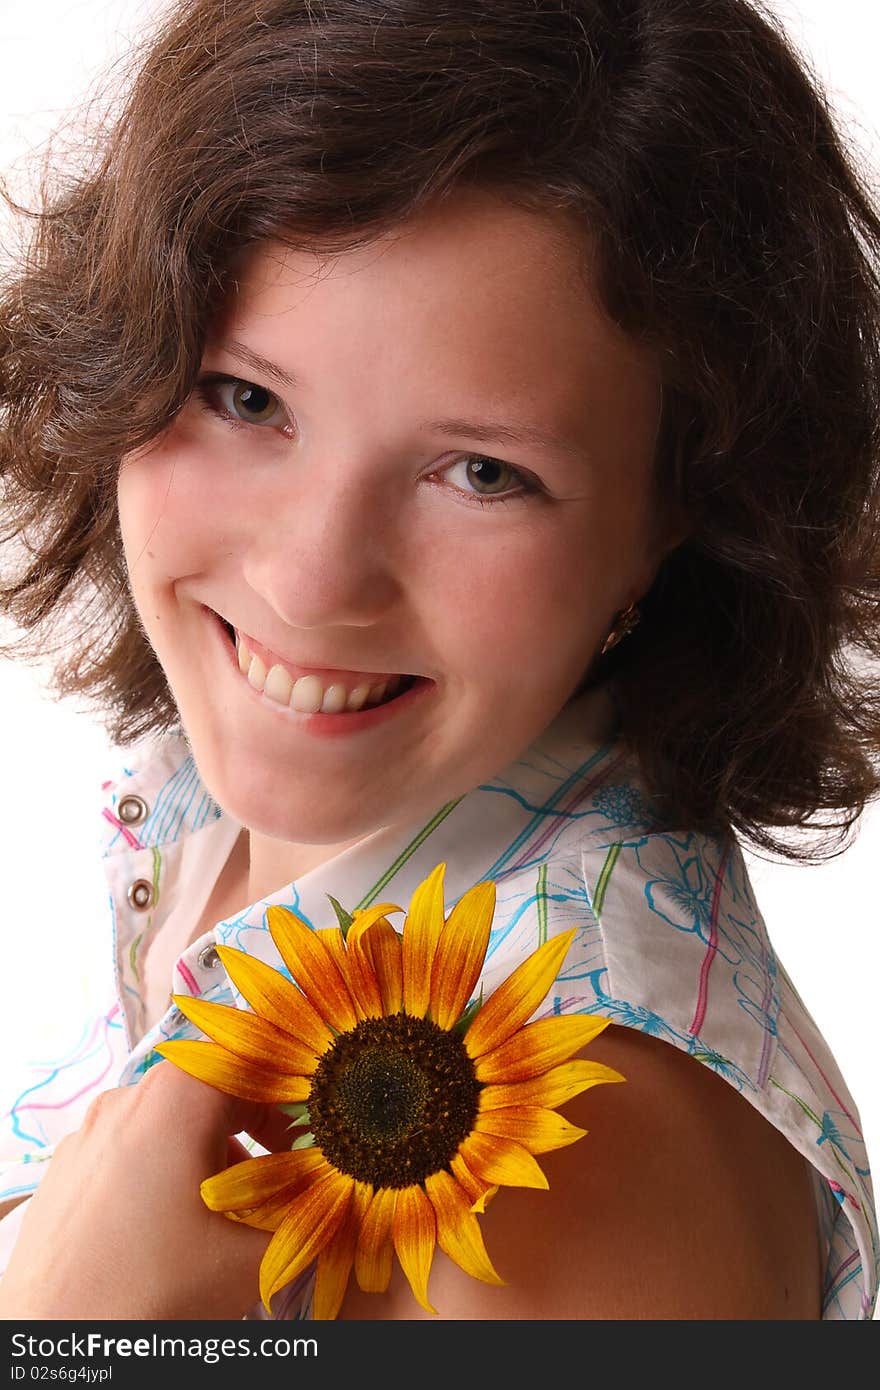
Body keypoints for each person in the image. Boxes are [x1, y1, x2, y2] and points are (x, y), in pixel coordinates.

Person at [0, 0, 877, 1321]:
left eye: (482, 472)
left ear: (681, 515)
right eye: (248, 398)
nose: (309, 580)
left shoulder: (565, 1160)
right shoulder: (240, 826)